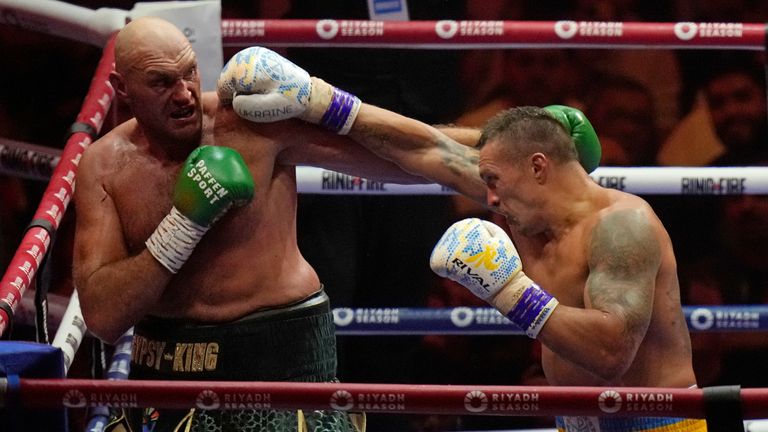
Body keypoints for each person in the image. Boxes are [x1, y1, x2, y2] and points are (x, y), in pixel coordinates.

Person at [218, 46, 704, 431]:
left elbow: (611, 353)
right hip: (575, 422)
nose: (486, 198)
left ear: (538, 166)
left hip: (654, 423)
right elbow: (426, 149)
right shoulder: (525, 205)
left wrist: (510, 291)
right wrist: (321, 101)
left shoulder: (623, 226)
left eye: (492, 180)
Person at [72, 17, 431, 432]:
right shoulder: (103, 165)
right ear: (122, 89)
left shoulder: (249, 121)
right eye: (161, 82)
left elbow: (405, 157)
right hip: (166, 372)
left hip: (281, 360)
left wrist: (482, 158)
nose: (184, 93)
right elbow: (102, 317)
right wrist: (181, 226)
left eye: (189, 71)